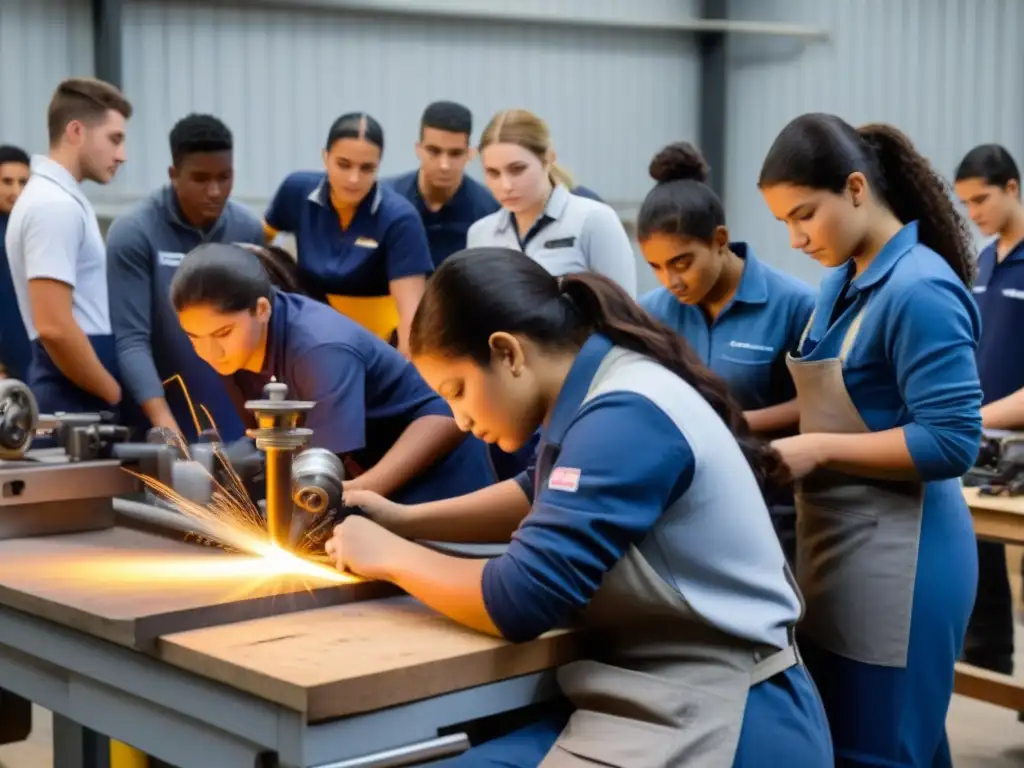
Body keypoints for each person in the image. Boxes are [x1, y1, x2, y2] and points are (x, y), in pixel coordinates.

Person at [329, 248, 834, 767]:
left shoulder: (625, 414)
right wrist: (404, 519)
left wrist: (387, 555)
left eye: (456, 391)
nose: (458, 419)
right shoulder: (597, 389)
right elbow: (539, 490)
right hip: (648, 693)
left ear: (507, 353)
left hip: (725, 714)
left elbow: (519, 599)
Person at [758, 113, 982, 766]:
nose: (796, 239)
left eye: (805, 215)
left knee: (887, 749)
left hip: (906, 565)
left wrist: (820, 450)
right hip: (839, 549)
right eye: (783, 224)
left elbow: (952, 441)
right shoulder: (840, 284)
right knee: (858, 743)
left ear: (856, 189)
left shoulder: (920, 290)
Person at [169, 242, 495, 504]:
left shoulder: (321, 349)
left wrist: (354, 495)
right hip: (359, 467)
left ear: (262, 310)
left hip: (437, 468)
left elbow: (324, 478)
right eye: (194, 337)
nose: (209, 352)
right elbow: (273, 446)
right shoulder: (232, 352)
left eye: (223, 333)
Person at [637, 141, 815, 564]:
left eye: (681, 262)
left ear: (720, 240)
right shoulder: (648, 313)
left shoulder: (795, 305)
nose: (671, 281)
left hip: (773, 508)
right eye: (656, 267)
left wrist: (734, 423)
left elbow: (821, 404)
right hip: (682, 506)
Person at [107, 114, 263, 442]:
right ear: (174, 174)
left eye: (225, 177)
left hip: (235, 418)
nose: (215, 191)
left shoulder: (248, 230)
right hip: (161, 416)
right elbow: (132, 339)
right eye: (201, 178)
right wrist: (164, 425)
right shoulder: (135, 233)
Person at [5, 78, 132, 414]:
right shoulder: (53, 205)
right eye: (114, 139)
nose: (122, 155)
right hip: (74, 390)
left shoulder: (60, 199)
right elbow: (54, 326)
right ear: (76, 131)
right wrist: (112, 392)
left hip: (77, 380)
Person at [263, 113, 433, 354]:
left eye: (367, 168)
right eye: (343, 164)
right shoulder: (296, 190)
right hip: (309, 338)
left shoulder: (400, 217)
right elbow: (254, 242)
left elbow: (412, 314)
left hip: (378, 346)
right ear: (325, 157)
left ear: (379, 167)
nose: (354, 179)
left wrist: (405, 371)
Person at [953, 144, 1024, 682]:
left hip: (1011, 437)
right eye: (965, 203)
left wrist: (977, 417)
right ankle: (985, 667)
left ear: (1012, 189)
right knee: (978, 564)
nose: (973, 213)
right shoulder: (983, 262)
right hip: (986, 446)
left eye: (981, 200)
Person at [468, 109, 637, 298]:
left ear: (549, 158)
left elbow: (625, 314)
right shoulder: (480, 234)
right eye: (493, 173)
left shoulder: (593, 220)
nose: (506, 185)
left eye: (517, 169)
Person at [386, 101, 499, 268]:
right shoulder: (386, 200)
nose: (444, 165)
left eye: (455, 153)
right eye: (434, 151)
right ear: (418, 149)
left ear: (470, 154)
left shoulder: (490, 211)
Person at [0, 145, 31, 381]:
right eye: (7, 181)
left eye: (23, 182)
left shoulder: (31, 228)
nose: (16, 191)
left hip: (30, 363)